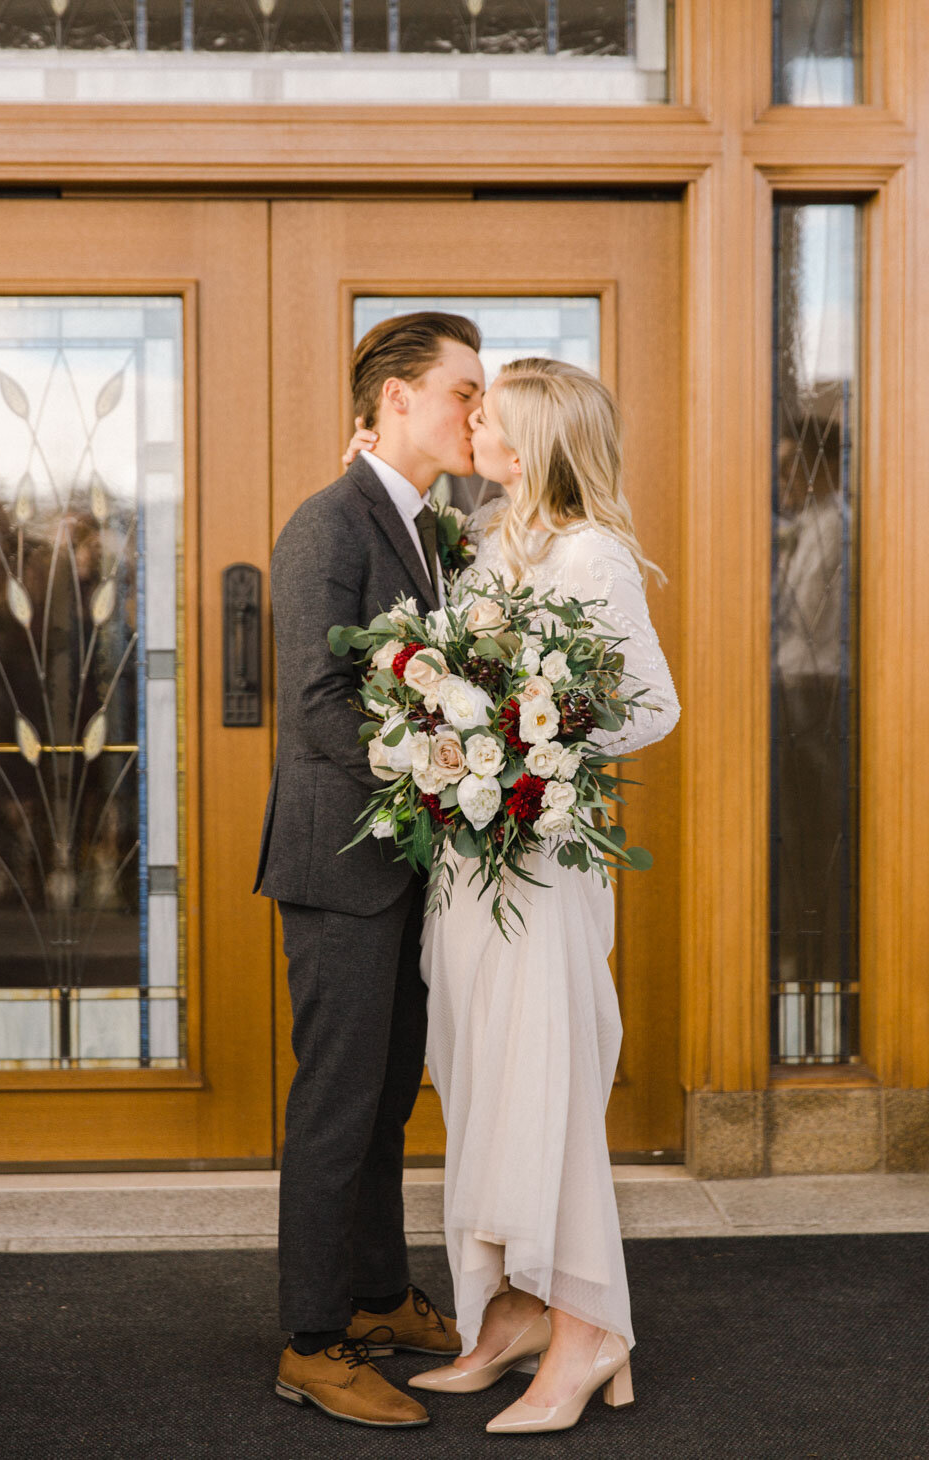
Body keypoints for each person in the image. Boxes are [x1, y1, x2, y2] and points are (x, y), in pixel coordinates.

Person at [346, 356, 680, 1434]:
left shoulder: (592, 556)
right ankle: (510, 1311)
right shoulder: (487, 540)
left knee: (543, 1079)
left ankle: (588, 1330)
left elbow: (652, 707)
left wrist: (538, 732)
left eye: (491, 415)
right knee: (481, 1079)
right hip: (469, 858)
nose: (474, 423)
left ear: (536, 440)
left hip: (541, 864)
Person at [254, 311, 485, 1429]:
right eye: (461, 392)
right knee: (339, 1103)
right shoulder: (327, 525)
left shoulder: (432, 527)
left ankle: (378, 1293)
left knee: (391, 1095)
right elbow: (313, 712)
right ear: (395, 399)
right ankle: (310, 1341)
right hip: (340, 865)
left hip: (402, 864)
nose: (472, 413)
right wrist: (445, 773)